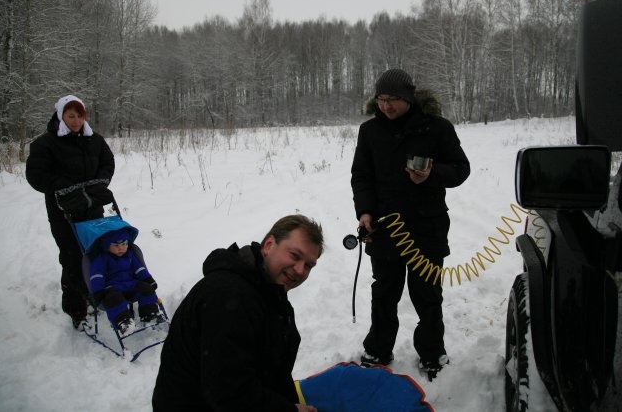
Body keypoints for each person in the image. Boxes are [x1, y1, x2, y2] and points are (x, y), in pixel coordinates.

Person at [350, 68, 470, 378]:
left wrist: (432, 175)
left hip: (427, 227)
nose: (386, 106)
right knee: (384, 292)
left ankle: (432, 353)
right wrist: (365, 212)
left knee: (427, 294)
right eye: (381, 99)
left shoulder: (437, 128)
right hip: (384, 227)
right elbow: (361, 176)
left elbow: (461, 169)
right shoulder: (370, 131)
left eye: (393, 99)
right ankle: (378, 349)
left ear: (408, 98)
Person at [152, 215, 323, 412]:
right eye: (294, 255)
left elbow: (273, 371)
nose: (300, 270)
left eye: (308, 265)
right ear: (269, 245)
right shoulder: (228, 295)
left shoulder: (270, 292)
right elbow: (228, 392)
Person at [26, 95, 115, 330]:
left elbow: (108, 163)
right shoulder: (46, 143)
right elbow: (35, 175)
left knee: (96, 251)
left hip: (92, 204)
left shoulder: (94, 140)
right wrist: (63, 186)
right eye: (71, 116)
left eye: (79, 116)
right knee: (72, 256)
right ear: (61, 116)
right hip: (63, 210)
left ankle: (96, 292)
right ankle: (76, 308)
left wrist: (101, 181)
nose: (76, 121)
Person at [89, 228, 160, 335]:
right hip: (112, 288)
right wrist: (97, 291)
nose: (121, 248)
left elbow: (139, 269)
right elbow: (96, 276)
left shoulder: (130, 255)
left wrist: (148, 279)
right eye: (116, 245)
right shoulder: (102, 259)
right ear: (107, 246)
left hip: (131, 284)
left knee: (146, 288)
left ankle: (150, 314)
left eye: (124, 244)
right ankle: (123, 322)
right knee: (113, 298)